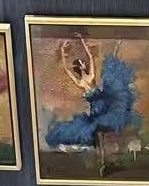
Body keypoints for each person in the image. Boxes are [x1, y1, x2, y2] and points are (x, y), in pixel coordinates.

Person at [45, 34, 139, 170]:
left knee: (106, 131)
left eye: (84, 63)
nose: (85, 63)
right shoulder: (82, 81)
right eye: (82, 63)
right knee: (97, 135)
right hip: (96, 113)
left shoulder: (90, 77)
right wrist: (63, 53)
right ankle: (104, 162)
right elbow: (68, 70)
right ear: (80, 67)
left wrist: (82, 41)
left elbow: (90, 57)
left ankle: (109, 160)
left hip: (106, 107)